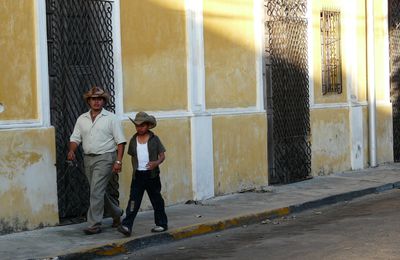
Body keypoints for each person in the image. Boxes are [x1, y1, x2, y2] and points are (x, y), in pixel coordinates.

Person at [67, 86, 127, 235]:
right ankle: (117, 213)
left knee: (96, 191)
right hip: (88, 158)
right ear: (89, 101)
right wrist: (72, 150)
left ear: (104, 101)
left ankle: (94, 224)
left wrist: (118, 161)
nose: (96, 102)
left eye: (99, 99)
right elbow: (75, 138)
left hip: (106, 157)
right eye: (94, 99)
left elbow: (120, 142)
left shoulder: (111, 118)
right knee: (97, 191)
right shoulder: (82, 118)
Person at [117, 111, 168, 237]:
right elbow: (132, 156)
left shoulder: (155, 139)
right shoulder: (133, 140)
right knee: (133, 201)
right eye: (137, 126)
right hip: (138, 176)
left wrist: (156, 163)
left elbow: (162, 156)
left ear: (148, 126)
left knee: (156, 200)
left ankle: (161, 224)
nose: (139, 128)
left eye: (142, 126)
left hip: (152, 175)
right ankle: (127, 225)